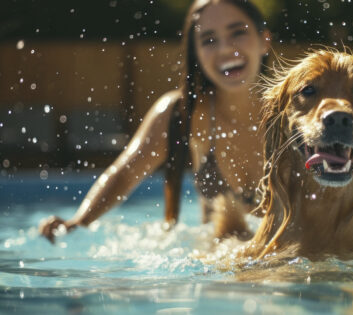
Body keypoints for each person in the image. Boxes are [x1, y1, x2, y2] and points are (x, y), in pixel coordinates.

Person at [39, 0, 271, 243]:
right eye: (209, 40)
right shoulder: (182, 114)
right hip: (218, 264)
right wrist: (79, 221)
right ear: (197, 53)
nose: (225, 48)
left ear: (265, 40)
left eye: (238, 33)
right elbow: (125, 173)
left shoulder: (293, 112)